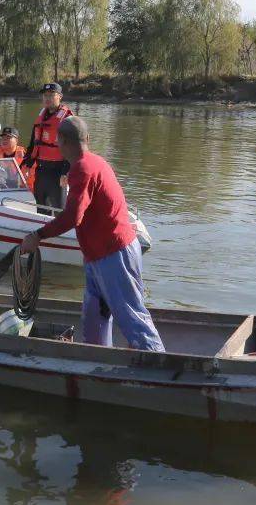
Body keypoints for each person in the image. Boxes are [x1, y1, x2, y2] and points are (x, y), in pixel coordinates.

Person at [19, 117, 165, 352]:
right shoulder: (96, 162)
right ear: (87, 139)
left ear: (62, 141)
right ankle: (95, 359)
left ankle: (159, 366)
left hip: (114, 254)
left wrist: (37, 235)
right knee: (94, 316)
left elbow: (72, 216)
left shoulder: (82, 169)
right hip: (100, 256)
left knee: (131, 316)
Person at [23, 82, 74, 213]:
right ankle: (43, 231)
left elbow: (72, 149)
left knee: (59, 211)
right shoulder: (40, 116)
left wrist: (65, 172)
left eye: (51, 95)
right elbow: (33, 143)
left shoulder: (67, 119)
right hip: (41, 170)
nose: (47, 98)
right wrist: (28, 164)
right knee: (41, 208)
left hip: (58, 171)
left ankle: (61, 232)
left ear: (60, 97)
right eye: (45, 95)